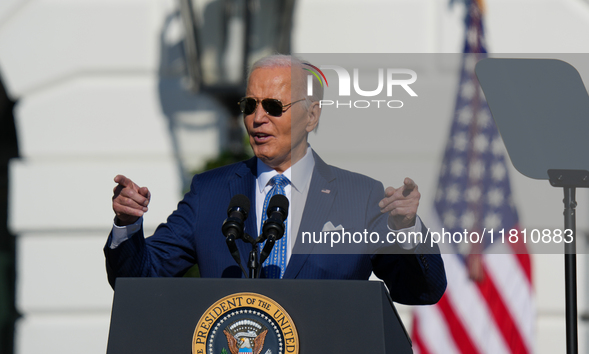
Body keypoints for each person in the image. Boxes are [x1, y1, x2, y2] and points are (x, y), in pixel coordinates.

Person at [105, 55, 446, 305]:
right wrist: (127, 224)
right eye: (249, 105)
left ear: (311, 115)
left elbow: (421, 290)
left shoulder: (360, 196)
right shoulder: (210, 193)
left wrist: (405, 229)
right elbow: (138, 279)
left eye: (273, 106)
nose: (257, 118)